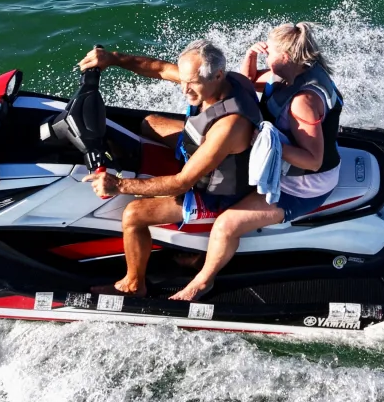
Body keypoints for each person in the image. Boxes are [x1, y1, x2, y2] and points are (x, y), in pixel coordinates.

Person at [170, 22, 343, 302]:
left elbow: (313, 160)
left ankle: (202, 282)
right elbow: (246, 84)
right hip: (285, 162)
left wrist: (265, 141)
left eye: (268, 54)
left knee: (227, 223)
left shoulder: (304, 101)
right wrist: (250, 56)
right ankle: (197, 246)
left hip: (304, 184)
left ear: (285, 58)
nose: (266, 58)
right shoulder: (290, 74)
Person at [80, 39, 262, 296]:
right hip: (199, 150)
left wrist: (118, 185)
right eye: (184, 81)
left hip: (215, 193)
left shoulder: (229, 125)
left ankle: (134, 285)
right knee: (149, 123)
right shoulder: (213, 81)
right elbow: (161, 69)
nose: (185, 90)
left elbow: (183, 182)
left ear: (218, 75)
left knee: (133, 215)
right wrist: (113, 58)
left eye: (193, 84)